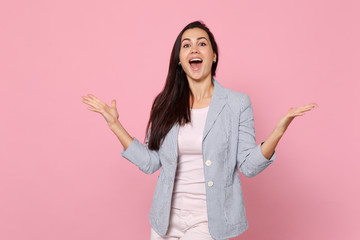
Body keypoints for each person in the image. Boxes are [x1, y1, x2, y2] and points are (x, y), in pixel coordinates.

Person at [82, 21, 317, 240]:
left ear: (213, 56)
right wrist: (115, 125)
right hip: (164, 220)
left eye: (202, 43)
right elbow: (151, 162)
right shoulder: (164, 103)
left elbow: (248, 165)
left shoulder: (237, 104)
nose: (194, 48)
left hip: (208, 221)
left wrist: (277, 132)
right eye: (186, 45)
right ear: (179, 60)